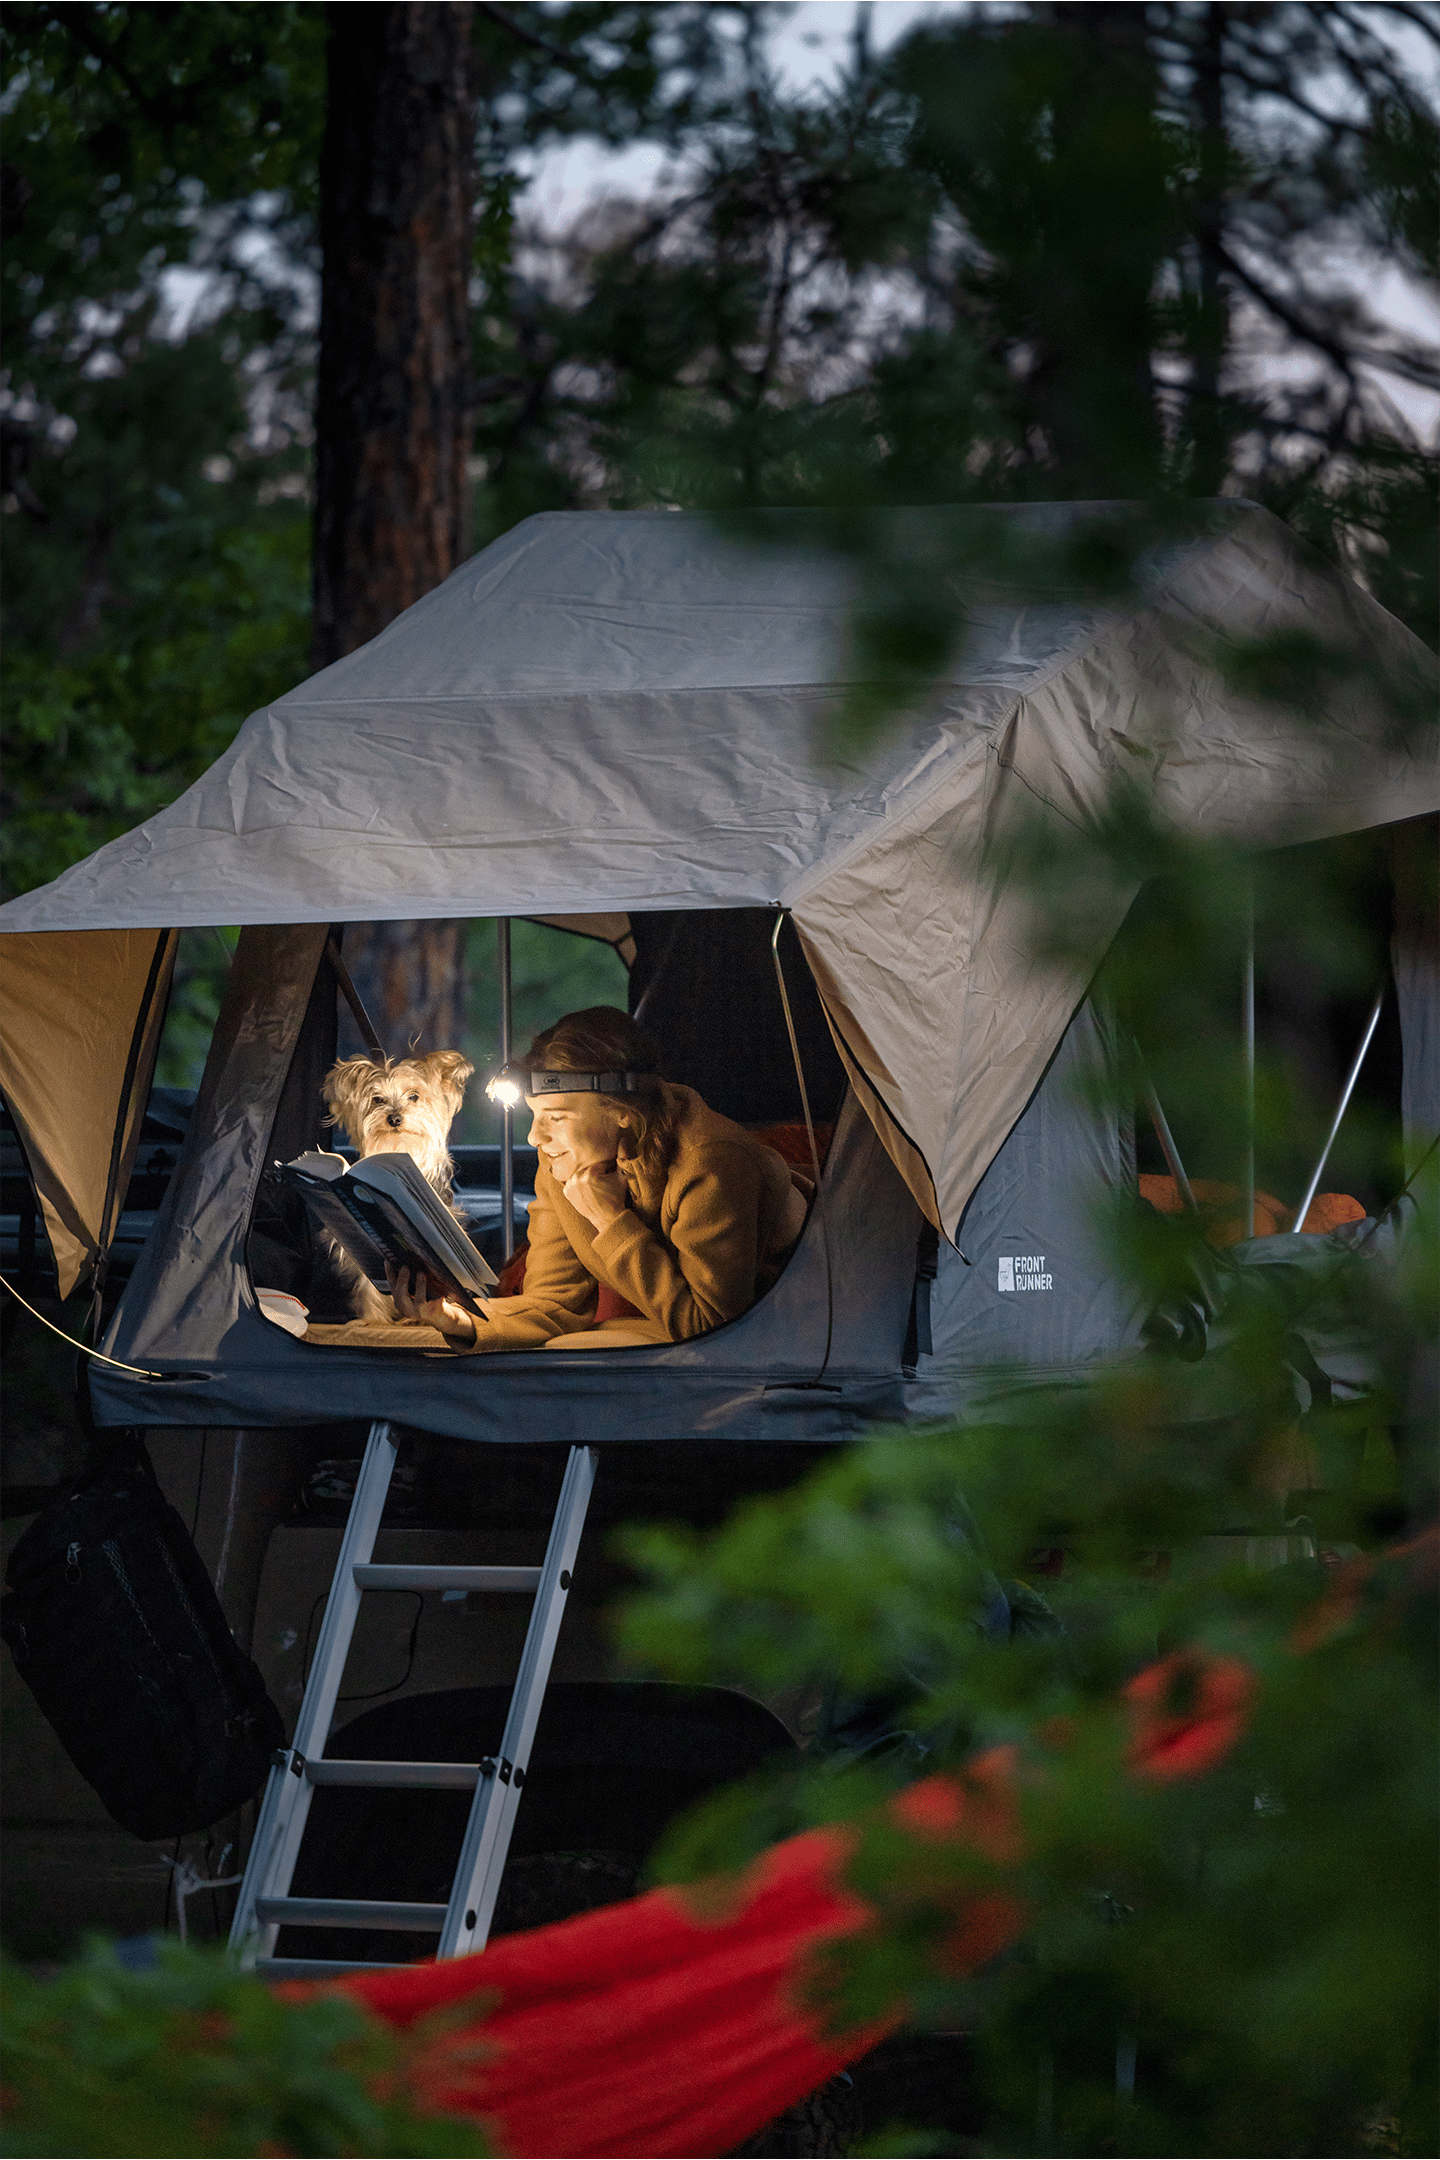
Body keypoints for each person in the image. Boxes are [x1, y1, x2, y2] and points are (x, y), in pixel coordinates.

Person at [387, 1007, 811, 1352]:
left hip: (802, 1316)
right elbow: (555, 1304)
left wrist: (611, 1221)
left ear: (622, 1112)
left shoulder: (711, 1164)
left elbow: (711, 1327)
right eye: (534, 1115)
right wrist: (466, 1320)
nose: (537, 1136)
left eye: (556, 1117)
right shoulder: (564, 1163)